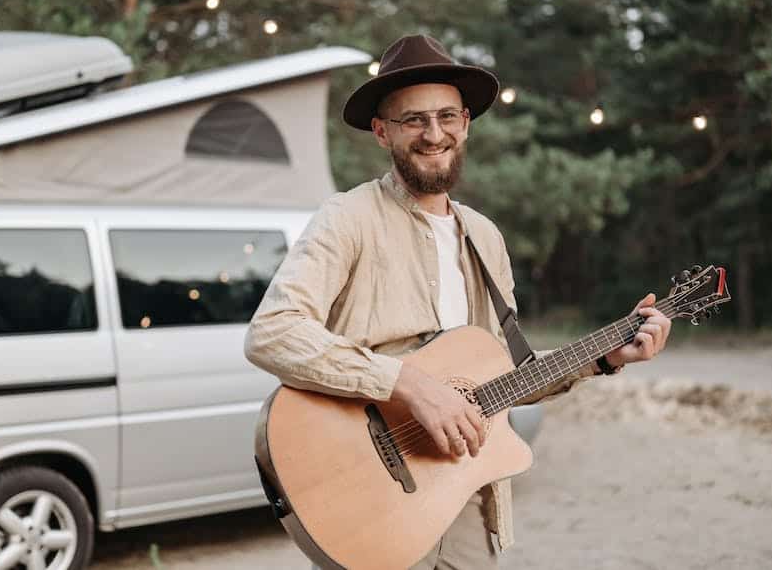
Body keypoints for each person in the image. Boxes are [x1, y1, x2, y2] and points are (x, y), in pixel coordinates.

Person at [244, 34, 672, 569]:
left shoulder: (484, 237)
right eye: (413, 120)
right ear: (382, 132)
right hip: (376, 504)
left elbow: (506, 379)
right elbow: (272, 332)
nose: (434, 134)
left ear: (466, 123)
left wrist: (608, 357)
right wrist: (408, 385)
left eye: (447, 117)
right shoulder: (347, 219)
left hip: (469, 500)